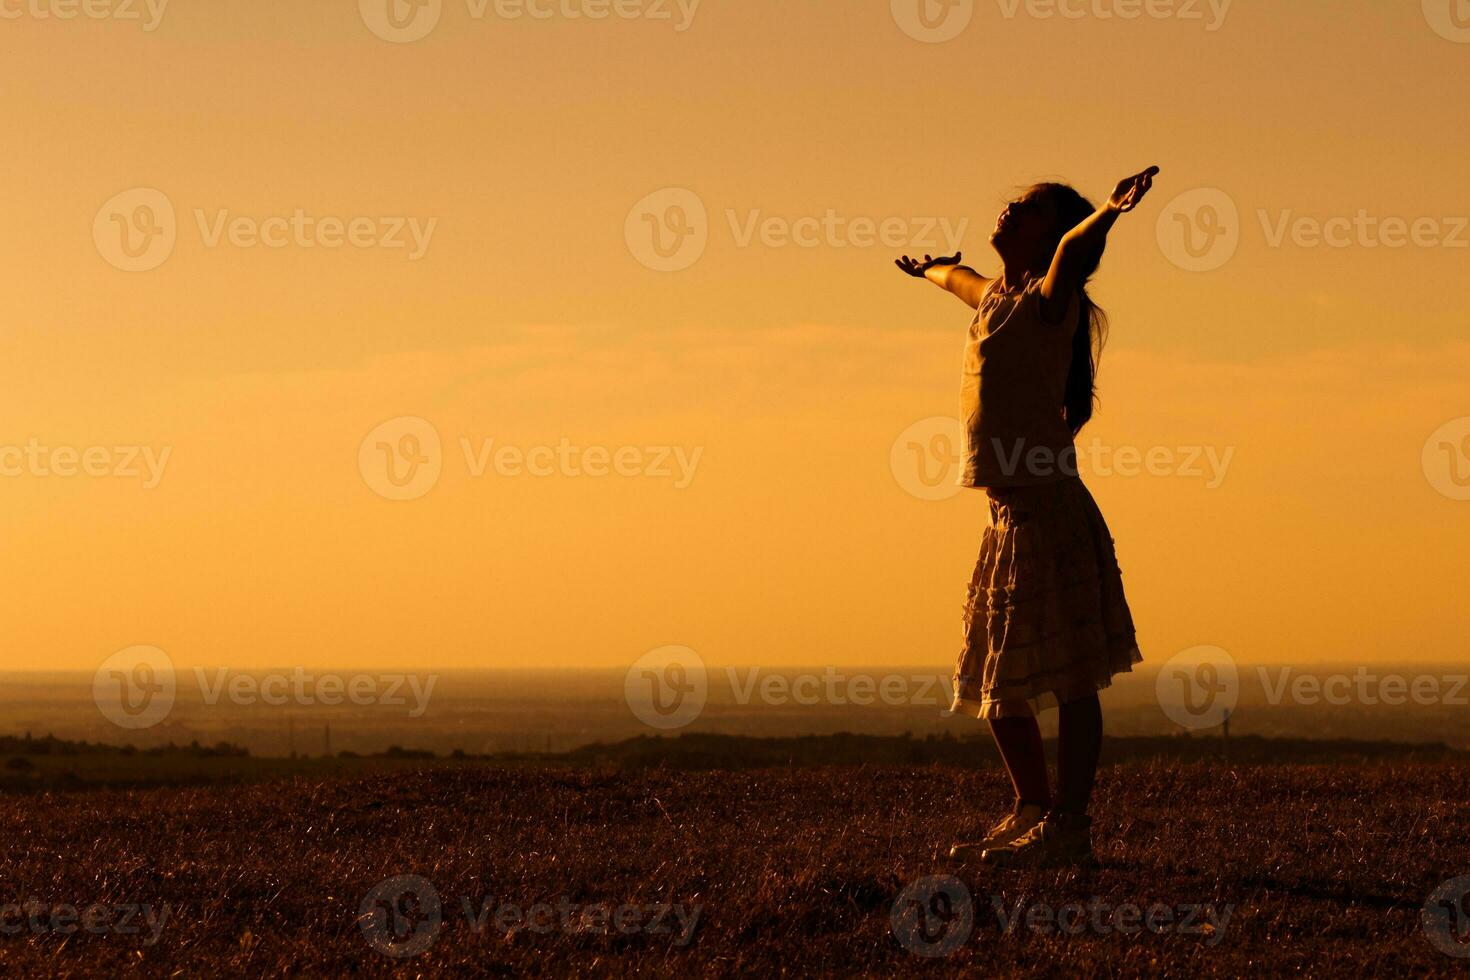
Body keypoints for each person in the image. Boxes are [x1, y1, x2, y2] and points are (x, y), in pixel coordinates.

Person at [895, 167, 1158, 867]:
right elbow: (963, 279)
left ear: (1053, 236)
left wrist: (1108, 210)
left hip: (1049, 511)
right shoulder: (994, 302)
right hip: (1005, 519)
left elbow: (1073, 253)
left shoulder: (1050, 302)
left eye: (1028, 208)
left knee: (1072, 677)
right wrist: (932, 270)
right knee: (996, 678)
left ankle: (1069, 824)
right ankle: (1032, 809)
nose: (1009, 207)